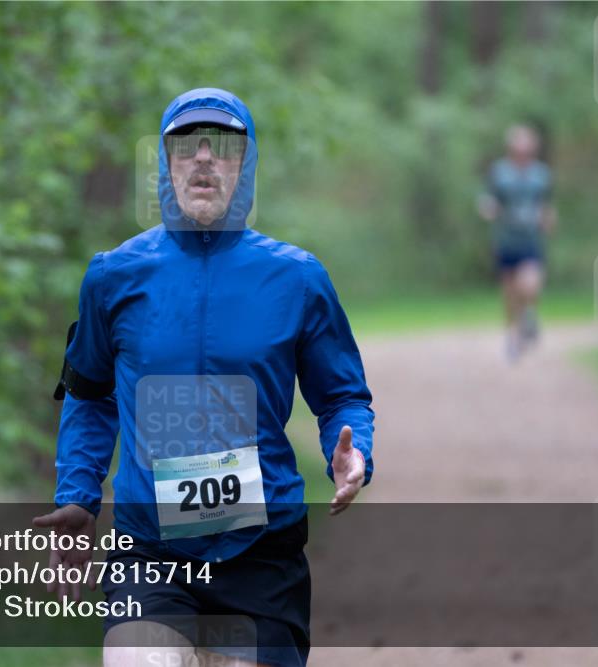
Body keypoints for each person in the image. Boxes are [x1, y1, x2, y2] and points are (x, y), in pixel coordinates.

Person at [33, 88, 375, 667]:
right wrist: (79, 499)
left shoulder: (297, 279)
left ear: (246, 163)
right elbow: (90, 395)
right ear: (165, 163)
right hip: (150, 550)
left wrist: (352, 452)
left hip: (261, 554)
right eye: (187, 145)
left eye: (222, 146)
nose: (204, 159)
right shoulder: (114, 277)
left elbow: (342, 396)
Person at [477, 124, 557, 361]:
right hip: (506, 240)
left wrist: (549, 219)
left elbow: (547, 205)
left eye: (526, 146)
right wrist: (488, 209)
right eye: (518, 146)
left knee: (530, 283)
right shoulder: (499, 172)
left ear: (532, 148)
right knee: (510, 292)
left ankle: (529, 315)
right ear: (511, 148)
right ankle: (512, 337)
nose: (522, 151)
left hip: (531, 239)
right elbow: (488, 199)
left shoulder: (541, 175)